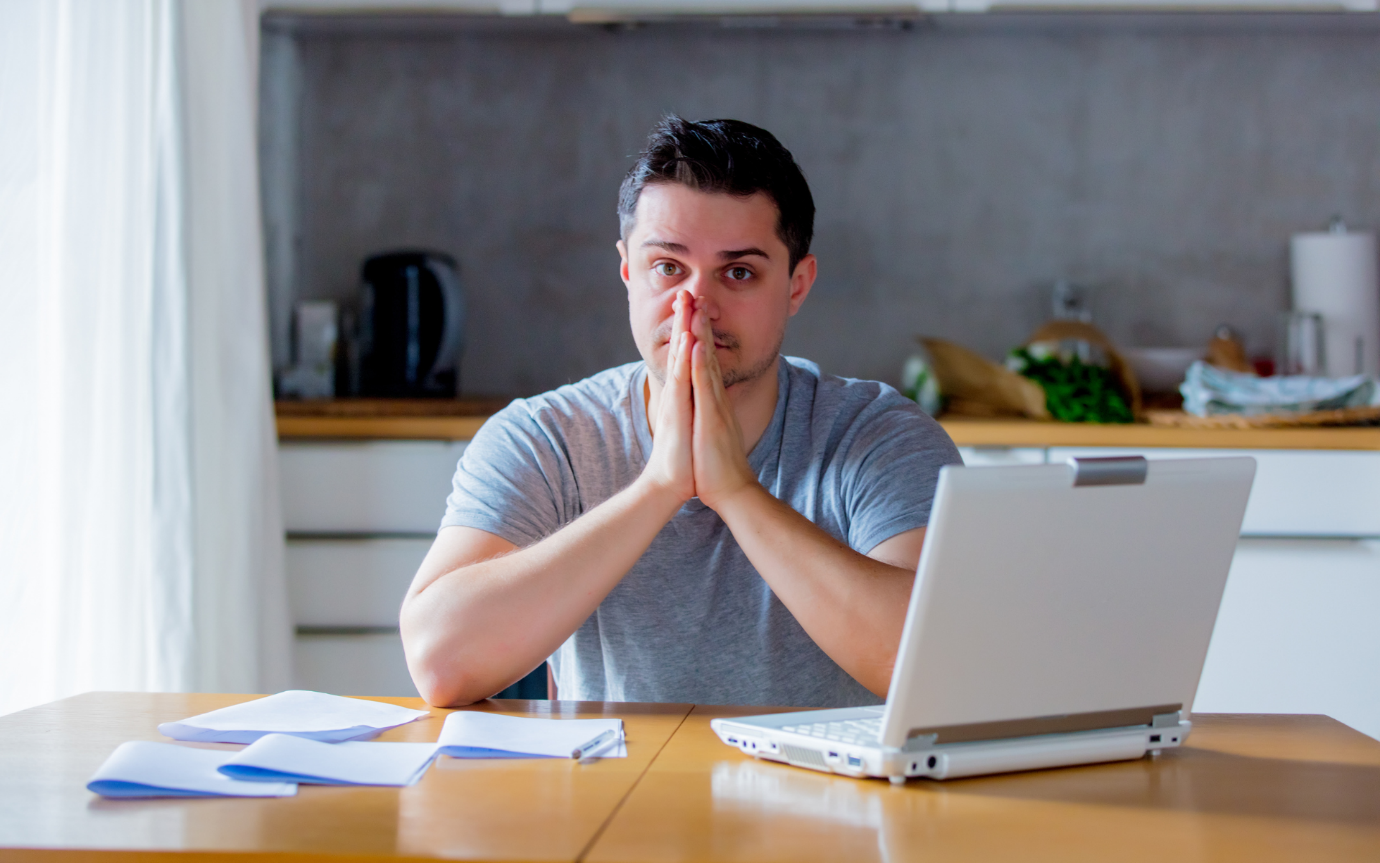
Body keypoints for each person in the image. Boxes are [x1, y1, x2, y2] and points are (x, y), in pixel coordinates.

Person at [400, 116, 960, 708]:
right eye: (668, 267)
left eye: (738, 273)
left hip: (828, 796)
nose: (696, 305)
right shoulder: (545, 438)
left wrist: (736, 493)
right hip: (611, 793)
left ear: (797, 285)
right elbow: (442, 665)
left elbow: (932, 670)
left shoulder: (880, 435)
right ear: (627, 271)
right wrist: (660, 486)